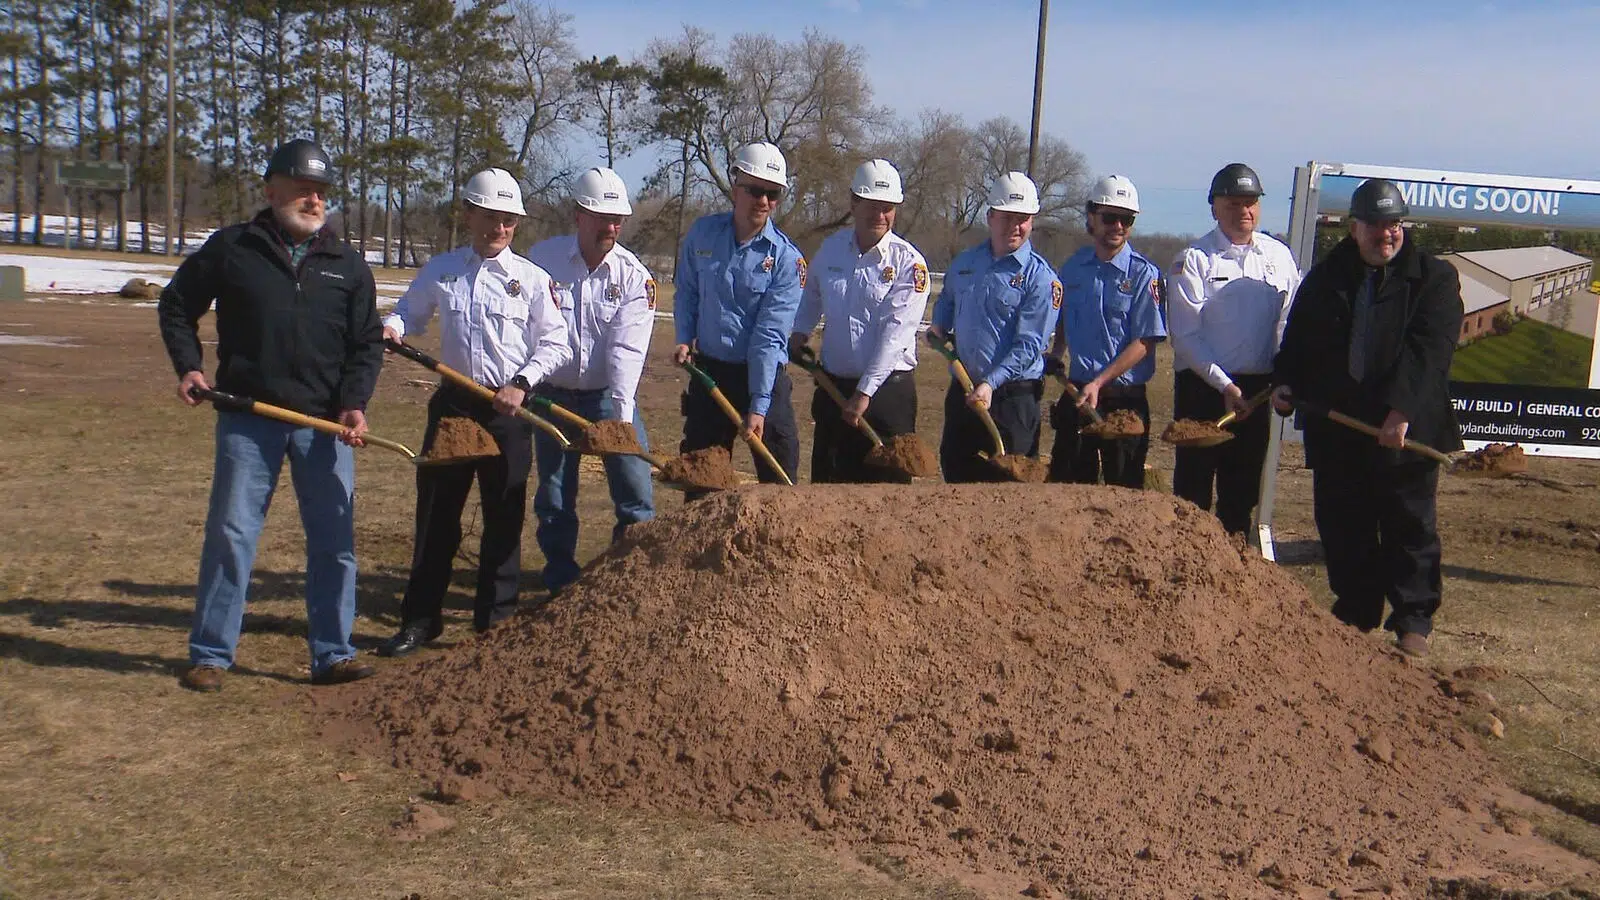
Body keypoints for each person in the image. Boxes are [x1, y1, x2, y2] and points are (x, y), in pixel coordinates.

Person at [157, 138, 382, 691]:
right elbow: (177, 304)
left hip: (322, 426)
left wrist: (354, 403)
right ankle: (211, 655)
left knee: (334, 544)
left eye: (321, 191)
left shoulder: (347, 264)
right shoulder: (233, 248)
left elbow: (366, 343)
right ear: (271, 190)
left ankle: (333, 653)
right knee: (232, 535)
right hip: (247, 417)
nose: (314, 199)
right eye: (303, 189)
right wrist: (189, 367)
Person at [377, 168, 570, 658]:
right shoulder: (443, 270)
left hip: (507, 410)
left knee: (504, 516)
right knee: (436, 515)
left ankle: (494, 625)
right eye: (490, 217)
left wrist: (521, 384)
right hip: (454, 408)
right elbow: (410, 311)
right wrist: (394, 327)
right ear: (468, 215)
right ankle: (421, 620)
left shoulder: (532, 280)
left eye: (508, 220)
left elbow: (556, 343)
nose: (499, 228)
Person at [1272, 178, 1463, 657]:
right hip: (1339, 427)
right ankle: (1356, 609)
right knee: (1343, 525)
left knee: (1409, 525)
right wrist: (1286, 381)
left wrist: (1402, 409)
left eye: (1394, 224)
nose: (1386, 234)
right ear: (1354, 228)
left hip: (1404, 429)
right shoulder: (1326, 278)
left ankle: (1413, 619)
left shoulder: (1434, 279)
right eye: (1376, 224)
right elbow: (1299, 340)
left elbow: (1430, 352)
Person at [525, 167, 656, 594]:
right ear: (579, 215)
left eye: (618, 220)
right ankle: (560, 581)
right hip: (550, 396)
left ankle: (628, 577)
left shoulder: (633, 276)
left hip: (608, 396)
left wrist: (620, 422)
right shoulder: (541, 261)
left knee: (634, 486)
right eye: (603, 218)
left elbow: (626, 351)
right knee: (555, 493)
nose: (611, 228)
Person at [1167, 163, 1301, 534]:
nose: (1244, 210)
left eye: (1251, 202)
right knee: (1192, 494)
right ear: (1214, 208)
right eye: (1233, 203)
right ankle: (1188, 558)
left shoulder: (1279, 256)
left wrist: (1284, 377)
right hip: (1203, 388)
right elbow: (1186, 336)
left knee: (1241, 493)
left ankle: (1236, 560)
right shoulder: (1193, 259)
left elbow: (1289, 323)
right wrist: (1224, 385)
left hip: (1257, 393)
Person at [788, 158, 931, 483]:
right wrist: (799, 333)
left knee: (884, 495)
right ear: (854, 203)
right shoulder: (832, 249)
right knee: (828, 488)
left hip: (885, 396)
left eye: (888, 208)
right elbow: (812, 295)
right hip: (833, 388)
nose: (880, 215)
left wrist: (864, 394)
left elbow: (895, 336)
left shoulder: (909, 264)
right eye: (872, 206)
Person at [674, 141, 804, 488]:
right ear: (736, 188)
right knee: (701, 483)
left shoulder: (787, 260)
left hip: (764, 378)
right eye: (755, 191)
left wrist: (758, 405)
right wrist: (684, 338)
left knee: (779, 485)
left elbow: (769, 336)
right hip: (710, 375)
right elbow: (687, 291)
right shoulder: (702, 234)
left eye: (772, 194)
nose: (763, 201)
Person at [929, 171, 1062, 482]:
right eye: (1007, 217)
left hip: (1012, 400)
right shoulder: (965, 263)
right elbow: (947, 300)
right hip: (964, 391)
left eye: (1022, 219)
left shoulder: (1041, 279)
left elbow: (1029, 346)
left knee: (1009, 491)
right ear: (990, 217)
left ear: (1032, 222)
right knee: (957, 480)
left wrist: (990, 383)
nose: (1014, 226)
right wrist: (938, 326)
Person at [1046, 175, 1166, 488]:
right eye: (1110, 217)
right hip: (1078, 396)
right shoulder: (1073, 269)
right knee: (1067, 491)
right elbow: (1064, 317)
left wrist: (1100, 382)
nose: (1118, 226)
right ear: (1091, 217)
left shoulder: (1144, 274)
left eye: (1127, 219)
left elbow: (1145, 341)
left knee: (1123, 495)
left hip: (1125, 402)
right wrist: (1058, 351)